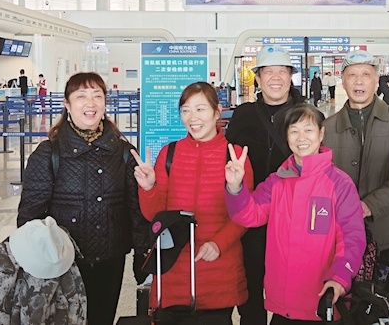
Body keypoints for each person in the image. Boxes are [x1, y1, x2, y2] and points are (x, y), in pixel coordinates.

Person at [16, 72, 150, 325]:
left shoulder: (123, 152)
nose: (90, 103)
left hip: (110, 261)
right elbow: (29, 217)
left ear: (105, 103)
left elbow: (136, 211)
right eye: (81, 96)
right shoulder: (49, 153)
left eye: (97, 96)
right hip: (62, 264)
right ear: (67, 104)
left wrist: (143, 260)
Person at [225, 104, 366, 324]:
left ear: (321, 134)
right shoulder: (277, 181)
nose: (301, 137)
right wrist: (235, 187)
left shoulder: (339, 184)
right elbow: (248, 215)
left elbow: (352, 238)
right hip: (284, 307)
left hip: (322, 304)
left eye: (308, 130)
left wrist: (339, 278)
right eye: (294, 131)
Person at [131, 82, 253, 323]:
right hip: (173, 270)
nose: (192, 118)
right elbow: (155, 216)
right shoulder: (169, 154)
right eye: (186, 110)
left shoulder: (235, 157)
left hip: (218, 270)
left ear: (217, 112)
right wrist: (147, 188)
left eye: (200, 109)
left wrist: (218, 244)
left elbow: (244, 215)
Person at [322, 50, 389, 318]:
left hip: (388, 234)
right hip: (341, 237)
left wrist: (368, 206)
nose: (359, 81)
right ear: (343, 81)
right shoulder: (327, 127)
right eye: (352, 75)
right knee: (347, 311)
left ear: (377, 81)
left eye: (366, 74)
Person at [226, 45, 305, 325]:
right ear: (258, 78)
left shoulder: (305, 114)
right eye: (268, 71)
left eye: (282, 71)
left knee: (293, 282)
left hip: (293, 214)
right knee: (251, 280)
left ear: (290, 77)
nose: (275, 78)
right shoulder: (244, 114)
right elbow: (228, 156)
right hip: (251, 212)